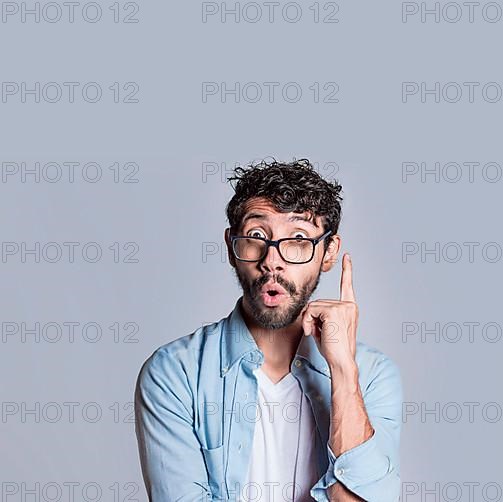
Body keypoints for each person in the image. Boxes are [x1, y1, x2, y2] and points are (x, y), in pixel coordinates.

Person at [134, 159, 403, 501]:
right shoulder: (175, 372)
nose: (272, 261)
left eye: (298, 240)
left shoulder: (373, 376)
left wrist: (343, 372)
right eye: (257, 236)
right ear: (233, 246)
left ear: (329, 252)